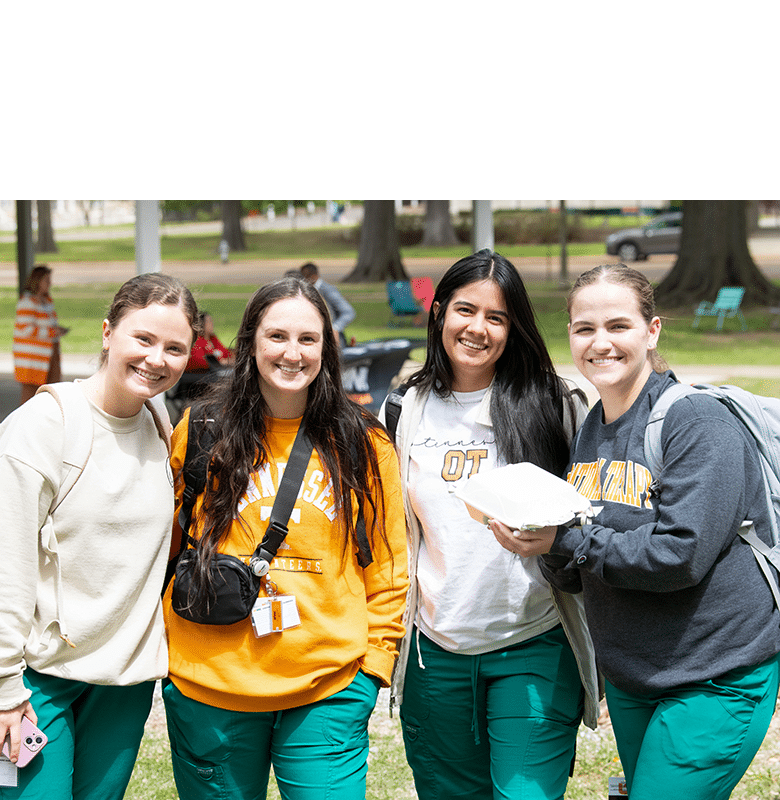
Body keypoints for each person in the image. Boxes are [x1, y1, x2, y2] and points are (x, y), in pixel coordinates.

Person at [495, 263, 780, 800]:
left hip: (714, 675)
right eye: (585, 329)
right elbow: (583, 567)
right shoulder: (591, 430)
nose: (600, 342)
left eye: (618, 326)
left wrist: (564, 542)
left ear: (651, 331)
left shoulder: (697, 422)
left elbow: (681, 555)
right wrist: (542, 539)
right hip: (633, 678)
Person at [161, 276, 408, 800]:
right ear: (250, 342)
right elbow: (166, 543)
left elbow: (388, 565)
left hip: (329, 687)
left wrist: (373, 670)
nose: (292, 353)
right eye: (276, 336)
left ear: (327, 347)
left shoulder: (363, 443)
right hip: (211, 685)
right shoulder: (202, 427)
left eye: (308, 339)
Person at [379, 249, 600, 800]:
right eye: (464, 310)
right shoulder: (404, 408)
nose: (477, 328)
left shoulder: (554, 403)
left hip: (534, 643)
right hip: (436, 653)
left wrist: (553, 538)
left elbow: (591, 519)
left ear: (513, 328)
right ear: (439, 314)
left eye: (496, 317)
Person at [0, 273, 200, 800]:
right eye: (144, 339)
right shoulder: (42, 426)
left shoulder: (160, 423)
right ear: (108, 332)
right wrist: (3, 688)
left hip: (124, 683)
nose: (157, 359)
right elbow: (7, 565)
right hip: (37, 681)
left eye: (175, 348)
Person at [13, 265, 70, 406]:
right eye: (46, 280)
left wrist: (57, 330)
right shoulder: (27, 302)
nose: (49, 283)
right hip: (32, 358)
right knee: (30, 395)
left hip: (49, 354)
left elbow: (47, 325)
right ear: (37, 281)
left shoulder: (47, 301)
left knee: (51, 391)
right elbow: (25, 329)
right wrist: (52, 332)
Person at [300, 262, 355, 346]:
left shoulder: (328, 290)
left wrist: (334, 328)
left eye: (305, 276)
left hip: (332, 342)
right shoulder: (307, 290)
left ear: (313, 276)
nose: (302, 280)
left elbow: (348, 312)